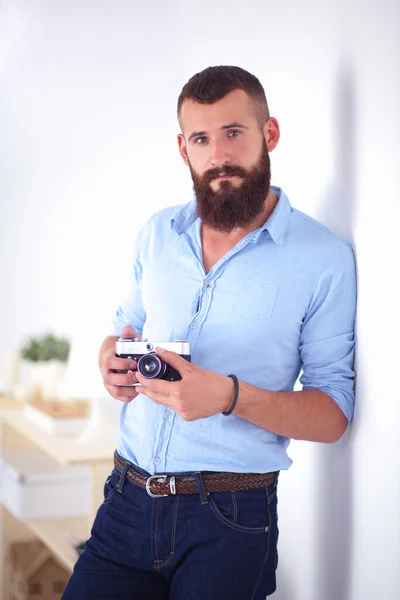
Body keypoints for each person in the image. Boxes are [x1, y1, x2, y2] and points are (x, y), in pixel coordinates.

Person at [62, 65, 356, 600]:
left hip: (229, 520)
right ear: (184, 149)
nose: (218, 154)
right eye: (202, 138)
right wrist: (109, 358)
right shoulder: (157, 234)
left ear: (269, 135)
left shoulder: (323, 259)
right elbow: (122, 326)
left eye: (234, 133)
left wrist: (229, 396)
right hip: (125, 500)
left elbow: (333, 413)